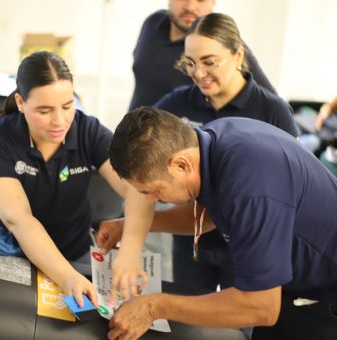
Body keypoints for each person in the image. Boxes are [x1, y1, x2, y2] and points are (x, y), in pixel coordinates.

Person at [98, 13, 298, 299]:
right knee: (188, 319)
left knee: (236, 326)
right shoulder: (176, 103)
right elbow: (142, 177)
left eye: (209, 62)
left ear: (238, 54)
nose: (199, 73)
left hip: (246, 245)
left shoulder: (272, 112)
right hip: (191, 240)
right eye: (190, 63)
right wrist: (130, 235)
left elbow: (284, 192)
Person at [106, 106, 337, 340]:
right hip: (290, 290)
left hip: (326, 298)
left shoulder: (250, 185)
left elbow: (261, 305)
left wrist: (153, 307)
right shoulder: (209, 142)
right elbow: (212, 214)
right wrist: (138, 225)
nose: (150, 200)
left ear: (181, 164)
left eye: (154, 190)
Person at [0, 51, 154, 307]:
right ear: (21, 102)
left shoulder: (87, 130)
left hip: (71, 248)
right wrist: (68, 279)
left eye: (67, 106)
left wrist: (130, 251)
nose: (60, 121)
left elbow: (138, 188)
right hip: (8, 250)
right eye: (44, 110)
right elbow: (20, 221)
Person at [128, 0, 276, 110]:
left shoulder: (224, 46)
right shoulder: (153, 23)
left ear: (213, 2)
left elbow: (270, 102)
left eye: (200, 0)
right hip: (131, 138)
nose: (190, 7)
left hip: (175, 146)